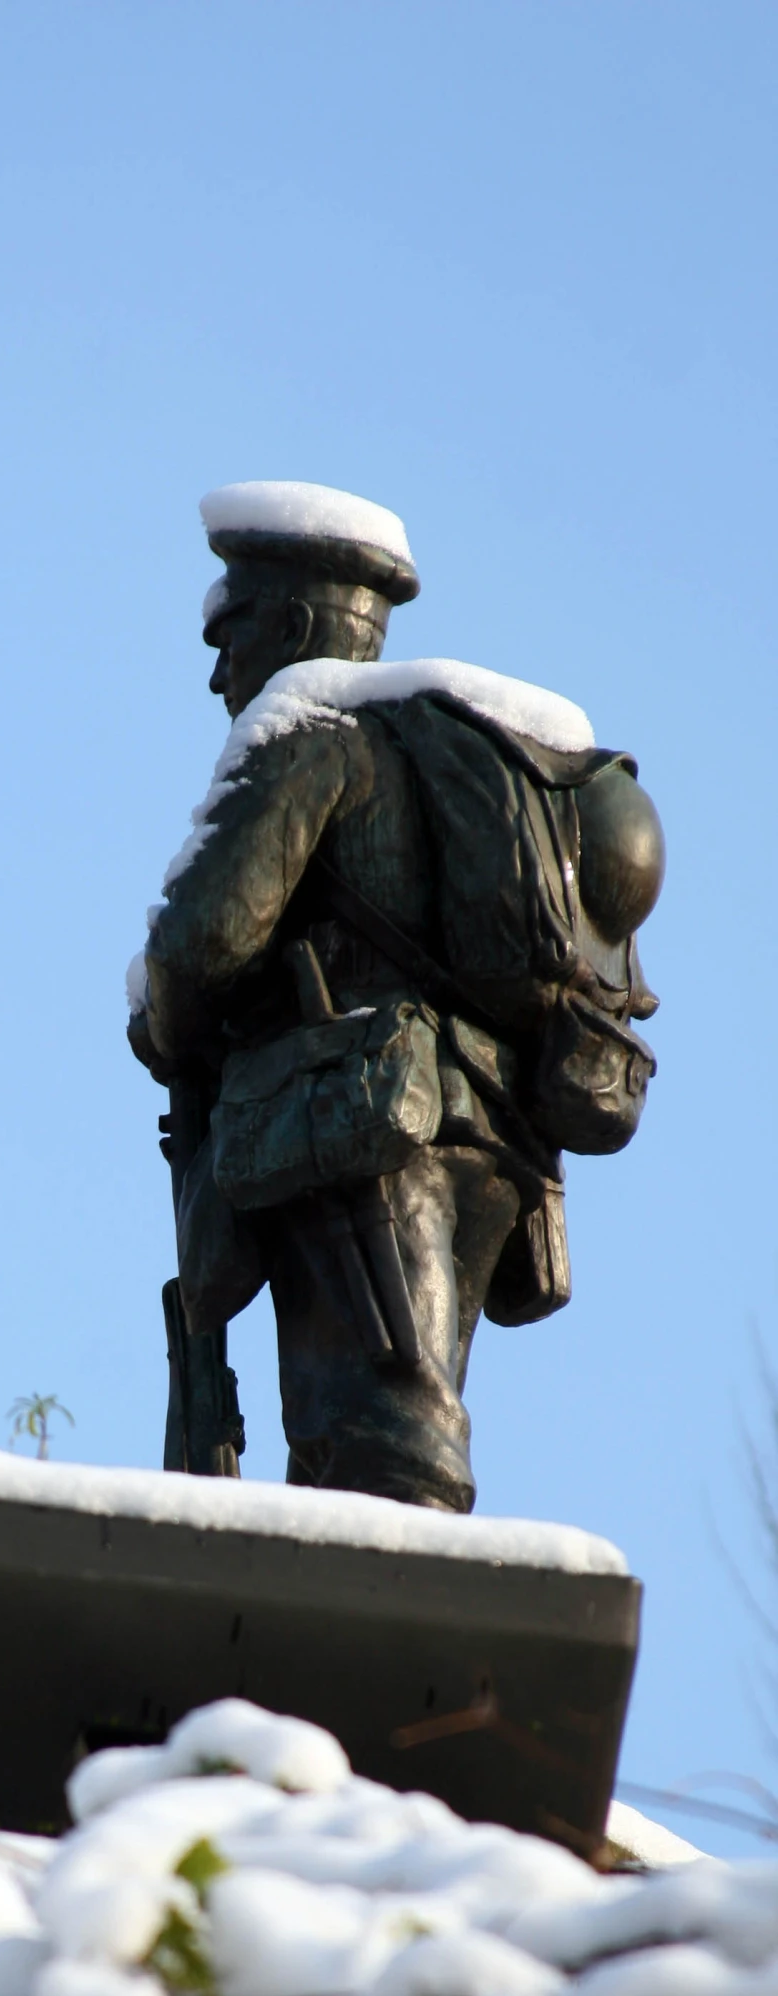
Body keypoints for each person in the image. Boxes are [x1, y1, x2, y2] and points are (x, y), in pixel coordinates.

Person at [129, 481, 662, 1512]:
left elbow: (199, 941)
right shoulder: (441, 760)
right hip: (492, 1148)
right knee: (403, 1424)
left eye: (226, 626)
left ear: (287, 623)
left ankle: (372, 1661)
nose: (213, 672)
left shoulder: (308, 735)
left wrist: (160, 1025)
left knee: (374, 1442)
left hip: (363, 1133)